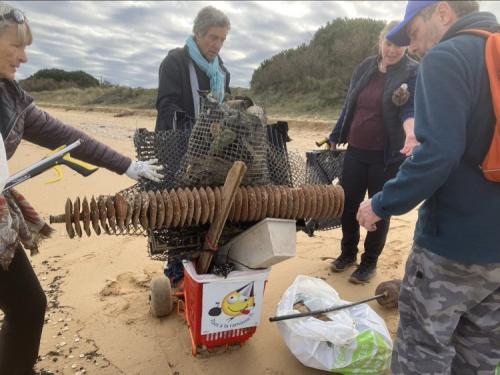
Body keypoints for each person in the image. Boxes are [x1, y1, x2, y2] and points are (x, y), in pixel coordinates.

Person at [0, 3, 163, 374]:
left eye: (27, 47)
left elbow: (68, 136)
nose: (24, 57)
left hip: (0, 219)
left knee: (28, 306)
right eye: (16, 46)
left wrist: (128, 166)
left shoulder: (12, 99)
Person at [356, 1, 500, 373]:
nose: (415, 47)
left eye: (414, 33)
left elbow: (439, 155)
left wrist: (381, 203)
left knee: (421, 353)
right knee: (478, 358)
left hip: (450, 247)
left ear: (443, 12)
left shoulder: (448, 56)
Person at [327, 21, 419, 284]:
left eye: (399, 45)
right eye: (388, 43)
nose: (392, 50)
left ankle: (369, 263)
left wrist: (412, 132)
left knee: (379, 209)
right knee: (348, 206)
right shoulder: (366, 66)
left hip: (386, 155)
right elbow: (350, 104)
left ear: (406, 46)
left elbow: (409, 108)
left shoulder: (412, 71)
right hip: (356, 150)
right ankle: (347, 254)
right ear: (380, 42)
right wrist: (336, 134)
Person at [155, 6, 231, 131]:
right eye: (213, 38)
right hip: (174, 146)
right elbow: (166, 106)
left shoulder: (222, 73)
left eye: (222, 40)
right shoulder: (174, 62)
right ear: (197, 33)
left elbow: (226, 107)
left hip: (211, 148)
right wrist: (198, 134)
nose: (218, 46)